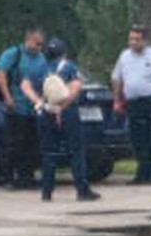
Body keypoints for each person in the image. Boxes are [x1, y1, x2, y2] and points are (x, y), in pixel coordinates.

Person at [23, 38, 100, 203]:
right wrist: (62, 107)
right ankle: (82, 190)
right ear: (63, 52)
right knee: (76, 151)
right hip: (67, 113)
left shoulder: (40, 68)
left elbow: (26, 86)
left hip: (45, 113)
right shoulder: (69, 67)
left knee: (48, 152)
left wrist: (40, 103)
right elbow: (75, 88)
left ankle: (46, 191)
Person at [112, 25, 151, 185]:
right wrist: (117, 100)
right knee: (138, 139)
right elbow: (118, 78)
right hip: (133, 102)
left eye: (137, 39)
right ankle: (142, 173)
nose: (133, 42)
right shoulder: (124, 56)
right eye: (131, 39)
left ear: (144, 41)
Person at [0, 28, 49, 190]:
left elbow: (46, 77)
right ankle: (10, 177)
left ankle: (27, 176)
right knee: (15, 143)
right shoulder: (14, 54)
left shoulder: (41, 58)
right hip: (17, 106)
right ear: (29, 39)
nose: (40, 47)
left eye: (42, 44)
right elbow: (0, 73)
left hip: (35, 108)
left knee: (32, 144)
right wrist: (7, 96)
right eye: (37, 43)